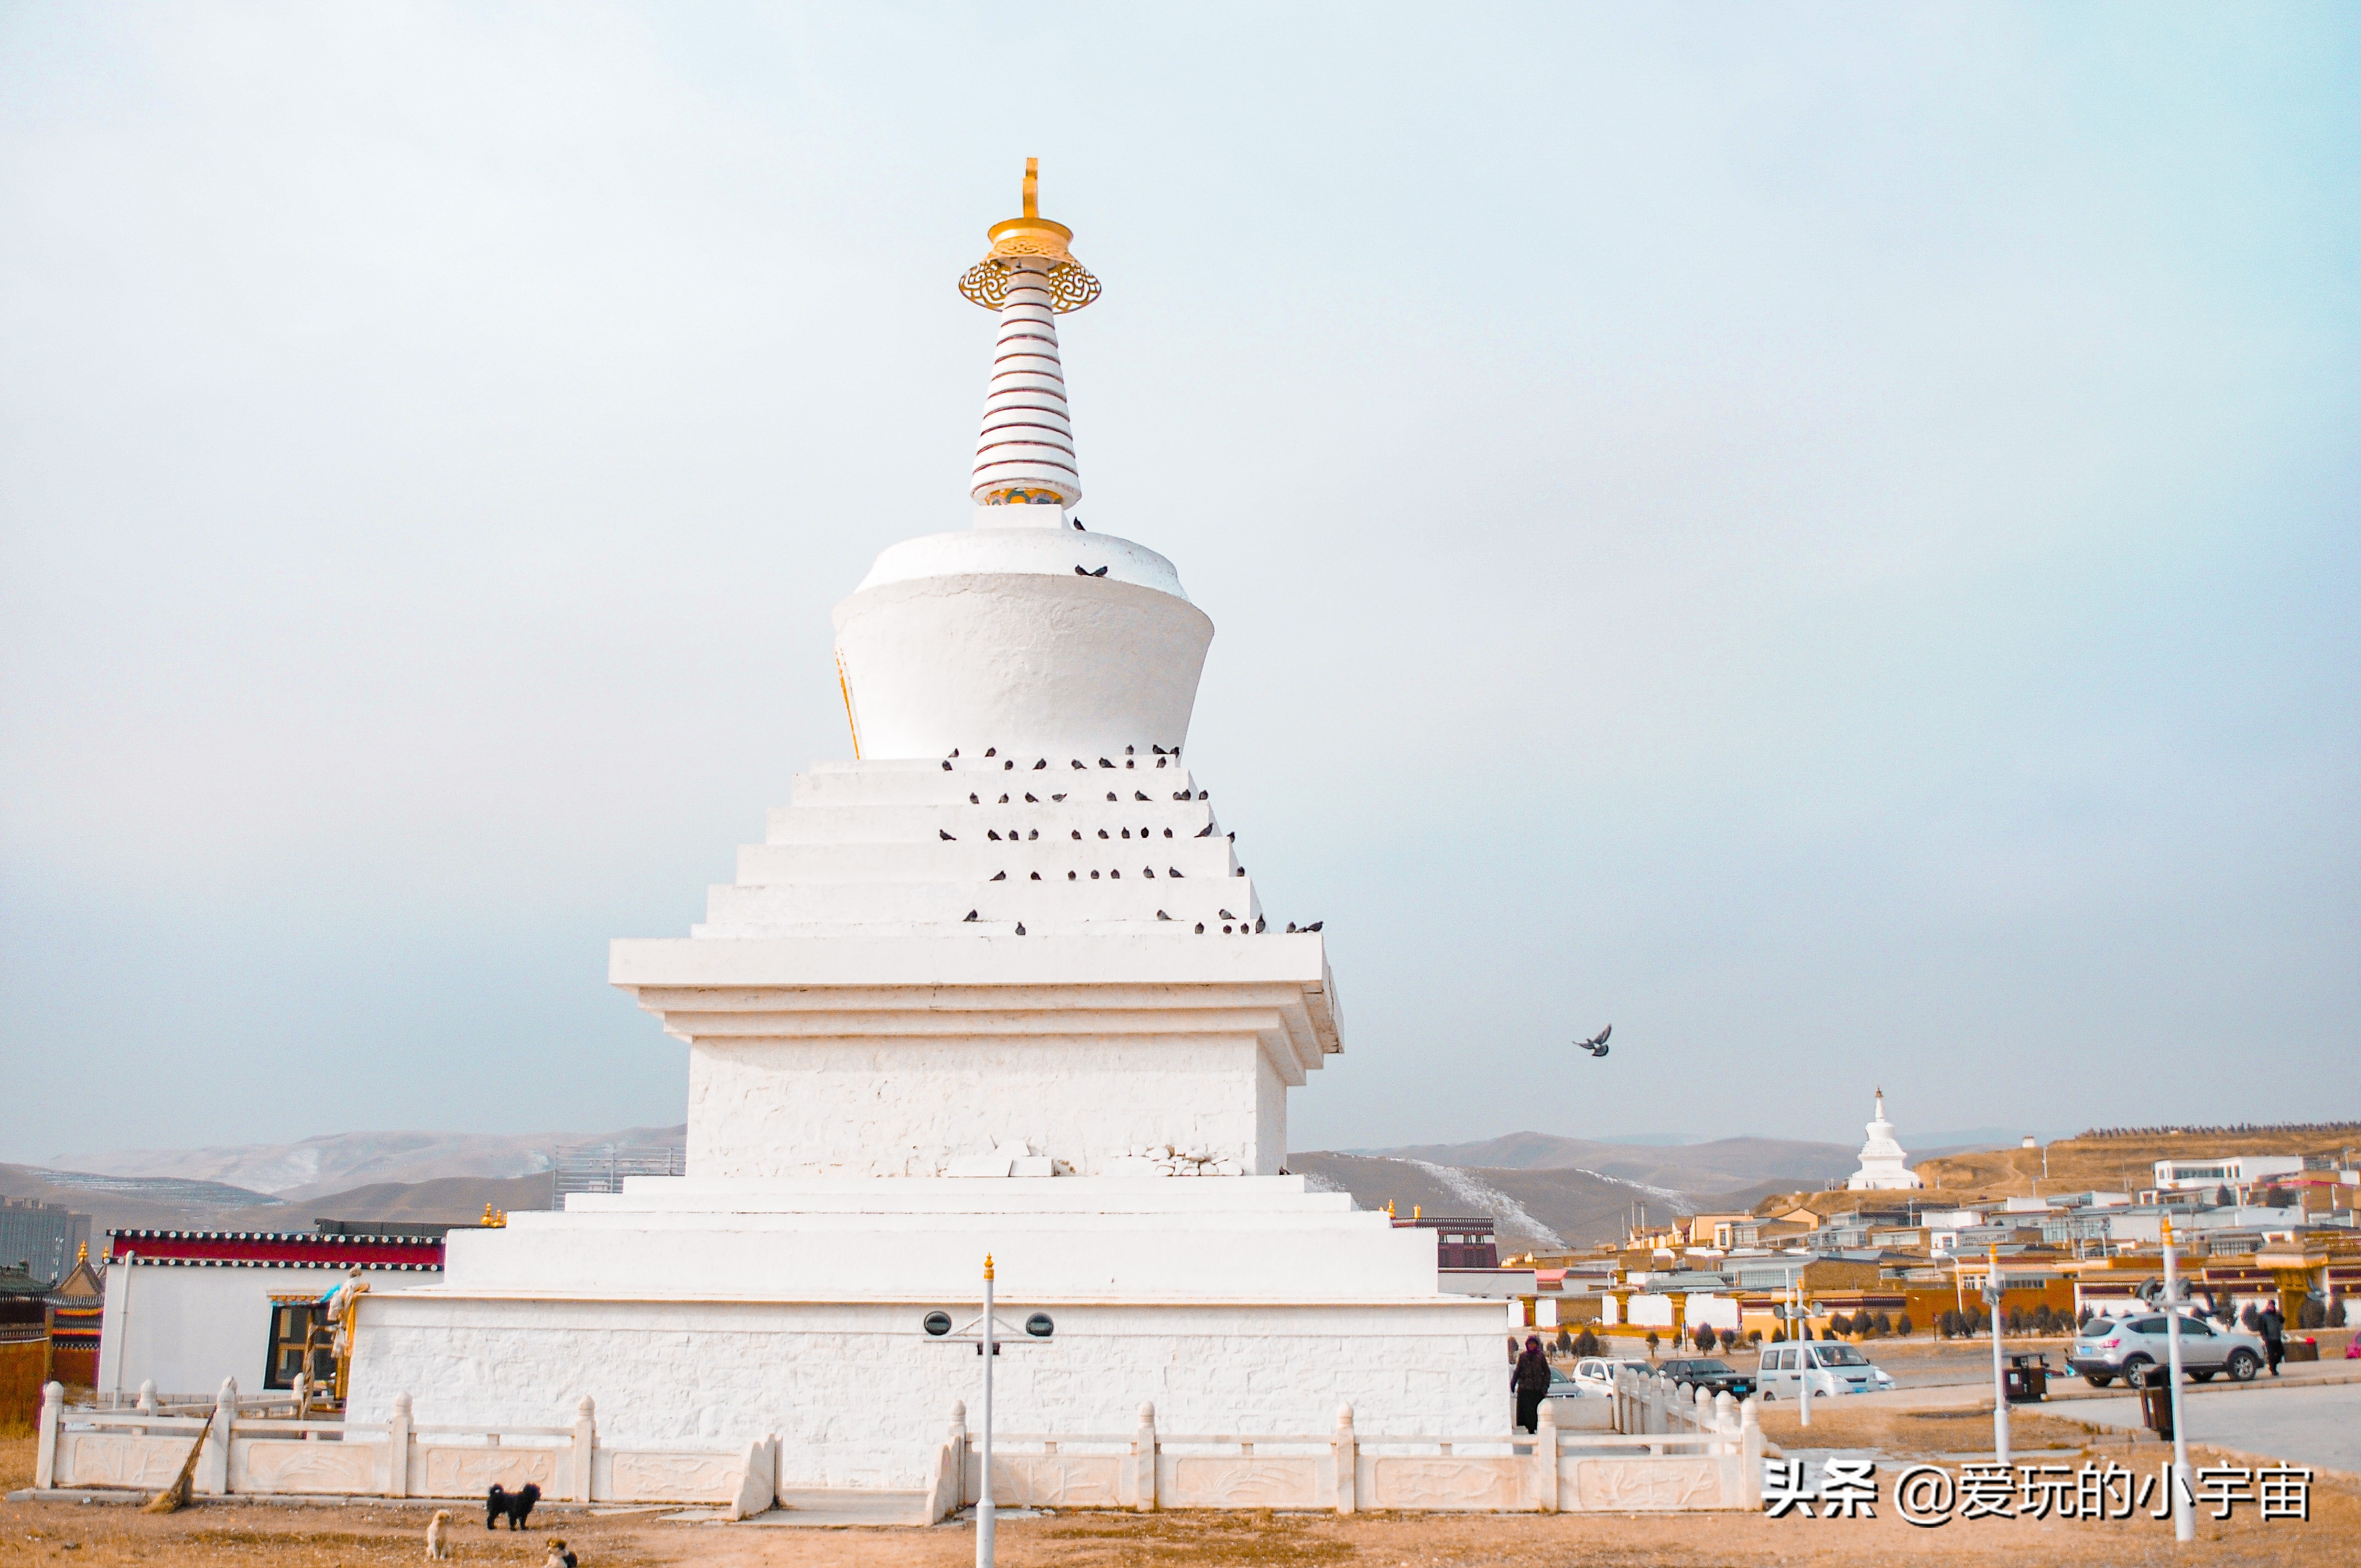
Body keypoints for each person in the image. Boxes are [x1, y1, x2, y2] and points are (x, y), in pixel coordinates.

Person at [1513, 1335, 1552, 1434]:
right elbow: (1517, 1371)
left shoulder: (1541, 1357)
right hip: (1526, 1390)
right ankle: (1530, 1430)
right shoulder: (1523, 1357)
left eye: (1533, 1344)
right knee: (1528, 1413)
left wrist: (1545, 1387)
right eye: (1530, 1344)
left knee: (1537, 1412)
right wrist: (1513, 1383)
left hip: (1537, 1390)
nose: (1531, 1346)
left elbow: (1547, 1373)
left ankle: (1536, 1430)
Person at [2259, 1302, 2285, 1376]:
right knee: (2271, 1355)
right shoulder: (2264, 1316)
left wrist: (2279, 1314)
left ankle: (2273, 1366)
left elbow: (2283, 1320)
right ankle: (2273, 1370)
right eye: (2271, 1306)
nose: (2272, 1307)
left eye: (2273, 1306)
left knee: (2281, 1353)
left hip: (2277, 1338)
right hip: (2269, 1339)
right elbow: (2262, 1328)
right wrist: (2264, 1337)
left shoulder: (2277, 1315)